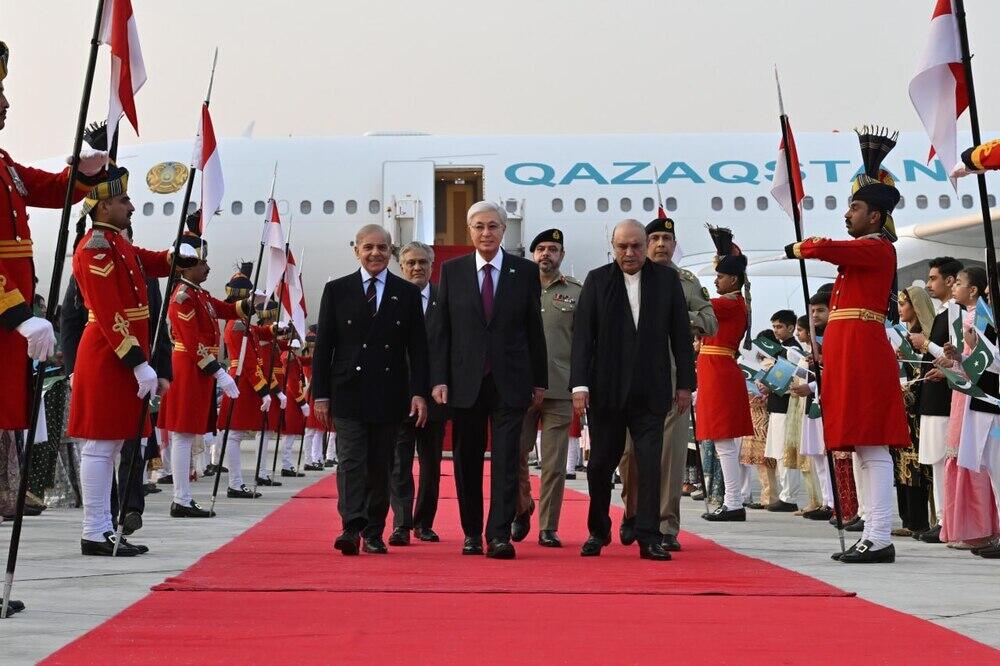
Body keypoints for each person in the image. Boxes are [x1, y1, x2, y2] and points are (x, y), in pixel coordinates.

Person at [784, 126, 910, 563]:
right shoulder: (860, 254)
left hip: (862, 356)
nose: (848, 214)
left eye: (854, 207)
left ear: (875, 217)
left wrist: (803, 246)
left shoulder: (876, 249)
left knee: (872, 445)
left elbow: (826, 247)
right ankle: (871, 532)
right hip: (848, 354)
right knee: (859, 444)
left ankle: (879, 534)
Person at [68, 165, 197, 556]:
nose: (132, 206)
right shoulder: (95, 249)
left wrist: (174, 257)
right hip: (109, 355)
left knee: (115, 444)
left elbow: (148, 262)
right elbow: (109, 313)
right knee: (100, 446)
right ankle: (94, 530)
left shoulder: (116, 243)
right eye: (124, 200)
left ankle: (105, 528)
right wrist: (139, 362)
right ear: (103, 206)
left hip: (120, 356)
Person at [570, 219, 695, 560]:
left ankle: (648, 536)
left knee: (650, 466)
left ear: (645, 246)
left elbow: (681, 337)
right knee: (599, 465)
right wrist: (579, 385)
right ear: (612, 247)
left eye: (636, 246)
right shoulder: (597, 280)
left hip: (651, 393)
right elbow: (583, 338)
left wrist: (685, 384)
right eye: (622, 246)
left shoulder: (668, 281)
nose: (630, 252)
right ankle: (598, 530)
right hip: (606, 393)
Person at [429, 202, 547, 559]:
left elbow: (533, 330)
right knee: (466, 460)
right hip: (465, 383)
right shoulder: (452, 271)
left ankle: (499, 535)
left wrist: (539, 380)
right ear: (469, 231)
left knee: (507, 460)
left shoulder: (524, 272)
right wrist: (438, 379)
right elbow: (442, 332)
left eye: (493, 226)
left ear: (503, 230)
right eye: (479, 226)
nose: (486, 233)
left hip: (510, 381)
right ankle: (470, 533)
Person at [314, 224, 429, 555]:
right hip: (348, 389)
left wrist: (418, 392)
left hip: (389, 392)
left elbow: (418, 349)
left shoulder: (406, 293)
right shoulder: (337, 290)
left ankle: (375, 530)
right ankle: (351, 527)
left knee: (381, 464)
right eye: (368, 247)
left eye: (382, 248)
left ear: (390, 252)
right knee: (351, 460)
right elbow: (324, 347)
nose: (375, 253)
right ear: (357, 250)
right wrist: (321, 394)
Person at [617, 215, 717, 550]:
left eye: (666, 239)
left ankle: (666, 526)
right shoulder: (624, 277)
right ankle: (631, 512)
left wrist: (675, 314)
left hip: (673, 377)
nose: (661, 245)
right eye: (655, 239)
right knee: (630, 454)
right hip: (631, 379)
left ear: (674, 245)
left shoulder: (686, 282)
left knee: (670, 457)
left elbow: (710, 321)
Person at [158, 228, 252, 517]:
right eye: (202, 263)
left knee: (187, 432)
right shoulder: (183, 296)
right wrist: (218, 373)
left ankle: (184, 497)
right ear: (187, 266)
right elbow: (191, 340)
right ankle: (181, 499)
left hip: (196, 370)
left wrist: (250, 304)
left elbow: (222, 309)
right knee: (182, 434)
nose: (207, 267)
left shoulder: (199, 294)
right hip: (188, 367)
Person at [511, 229, 583, 548]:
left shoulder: (576, 293)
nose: (546, 254)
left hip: (560, 389)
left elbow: (584, 344)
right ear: (532, 254)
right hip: (521, 389)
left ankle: (548, 526)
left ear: (562, 256)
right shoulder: (515, 288)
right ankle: (522, 505)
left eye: (553, 249)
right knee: (513, 454)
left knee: (554, 463)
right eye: (540, 249)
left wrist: (583, 384)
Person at [935, 267, 1000, 550]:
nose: (987, 292)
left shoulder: (986, 320)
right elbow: (980, 365)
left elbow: (993, 361)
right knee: (991, 469)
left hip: (993, 402)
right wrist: (959, 358)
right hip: (981, 402)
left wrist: (978, 346)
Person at [387, 241, 447, 545]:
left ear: (432, 265)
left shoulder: (443, 299)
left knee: (431, 464)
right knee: (399, 463)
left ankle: (424, 522)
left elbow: (449, 348)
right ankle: (401, 523)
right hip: (398, 395)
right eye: (410, 263)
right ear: (401, 266)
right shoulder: (392, 298)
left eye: (423, 262)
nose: (417, 268)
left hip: (435, 398)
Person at [697, 227, 754, 521]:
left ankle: (733, 502)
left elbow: (699, 305)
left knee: (723, 441)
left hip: (719, 372)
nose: (716, 280)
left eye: (720, 276)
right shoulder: (731, 303)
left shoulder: (729, 304)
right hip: (714, 370)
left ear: (732, 279)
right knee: (721, 442)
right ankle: (732, 500)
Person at [908, 256, 963, 543]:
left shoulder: (954, 313)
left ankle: (946, 520)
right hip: (932, 395)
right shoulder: (943, 312)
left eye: (933, 278)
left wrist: (924, 344)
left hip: (944, 396)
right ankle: (942, 518)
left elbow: (954, 356)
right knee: (934, 460)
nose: (929, 283)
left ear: (950, 280)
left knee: (944, 460)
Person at [215, 265, 273, 499]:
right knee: (235, 434)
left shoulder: (244, 323)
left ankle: (237, 483)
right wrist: (264, 389)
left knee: (235, 434)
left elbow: (259, 333)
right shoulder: (238, 324)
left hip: (245, 380)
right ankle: (235, 484)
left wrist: (274, 329)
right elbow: (247, 361)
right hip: (242, 381)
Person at [893, 286, 934, 536]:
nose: (900, 308)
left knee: (919, 466)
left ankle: (921, 521)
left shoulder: (927, 337)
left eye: (904, 303)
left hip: (920, 408)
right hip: (903, 408)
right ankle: (907, 519)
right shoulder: (904, 337)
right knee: (902, 464)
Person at [761, 309, 803, 511]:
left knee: (786, 453)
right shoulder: (781, 348)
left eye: (779, 326)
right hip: (777, 406)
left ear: (791, 327)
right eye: (774, 327)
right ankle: (785, 494)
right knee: (778, 452)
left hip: (787, 406)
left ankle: (789, 496)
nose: (776, 331)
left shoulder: (792, 350)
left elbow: (791, 380)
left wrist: (768, 382)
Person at [278, 339, 310, 478]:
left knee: (291, 435)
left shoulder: (294, 357)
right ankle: (286, 465)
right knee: (289, 434)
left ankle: (288, 464)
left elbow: (305, 360)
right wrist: (302, 402)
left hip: (293, 398)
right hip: (292, 398)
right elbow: (292, 382)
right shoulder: (288, 357)